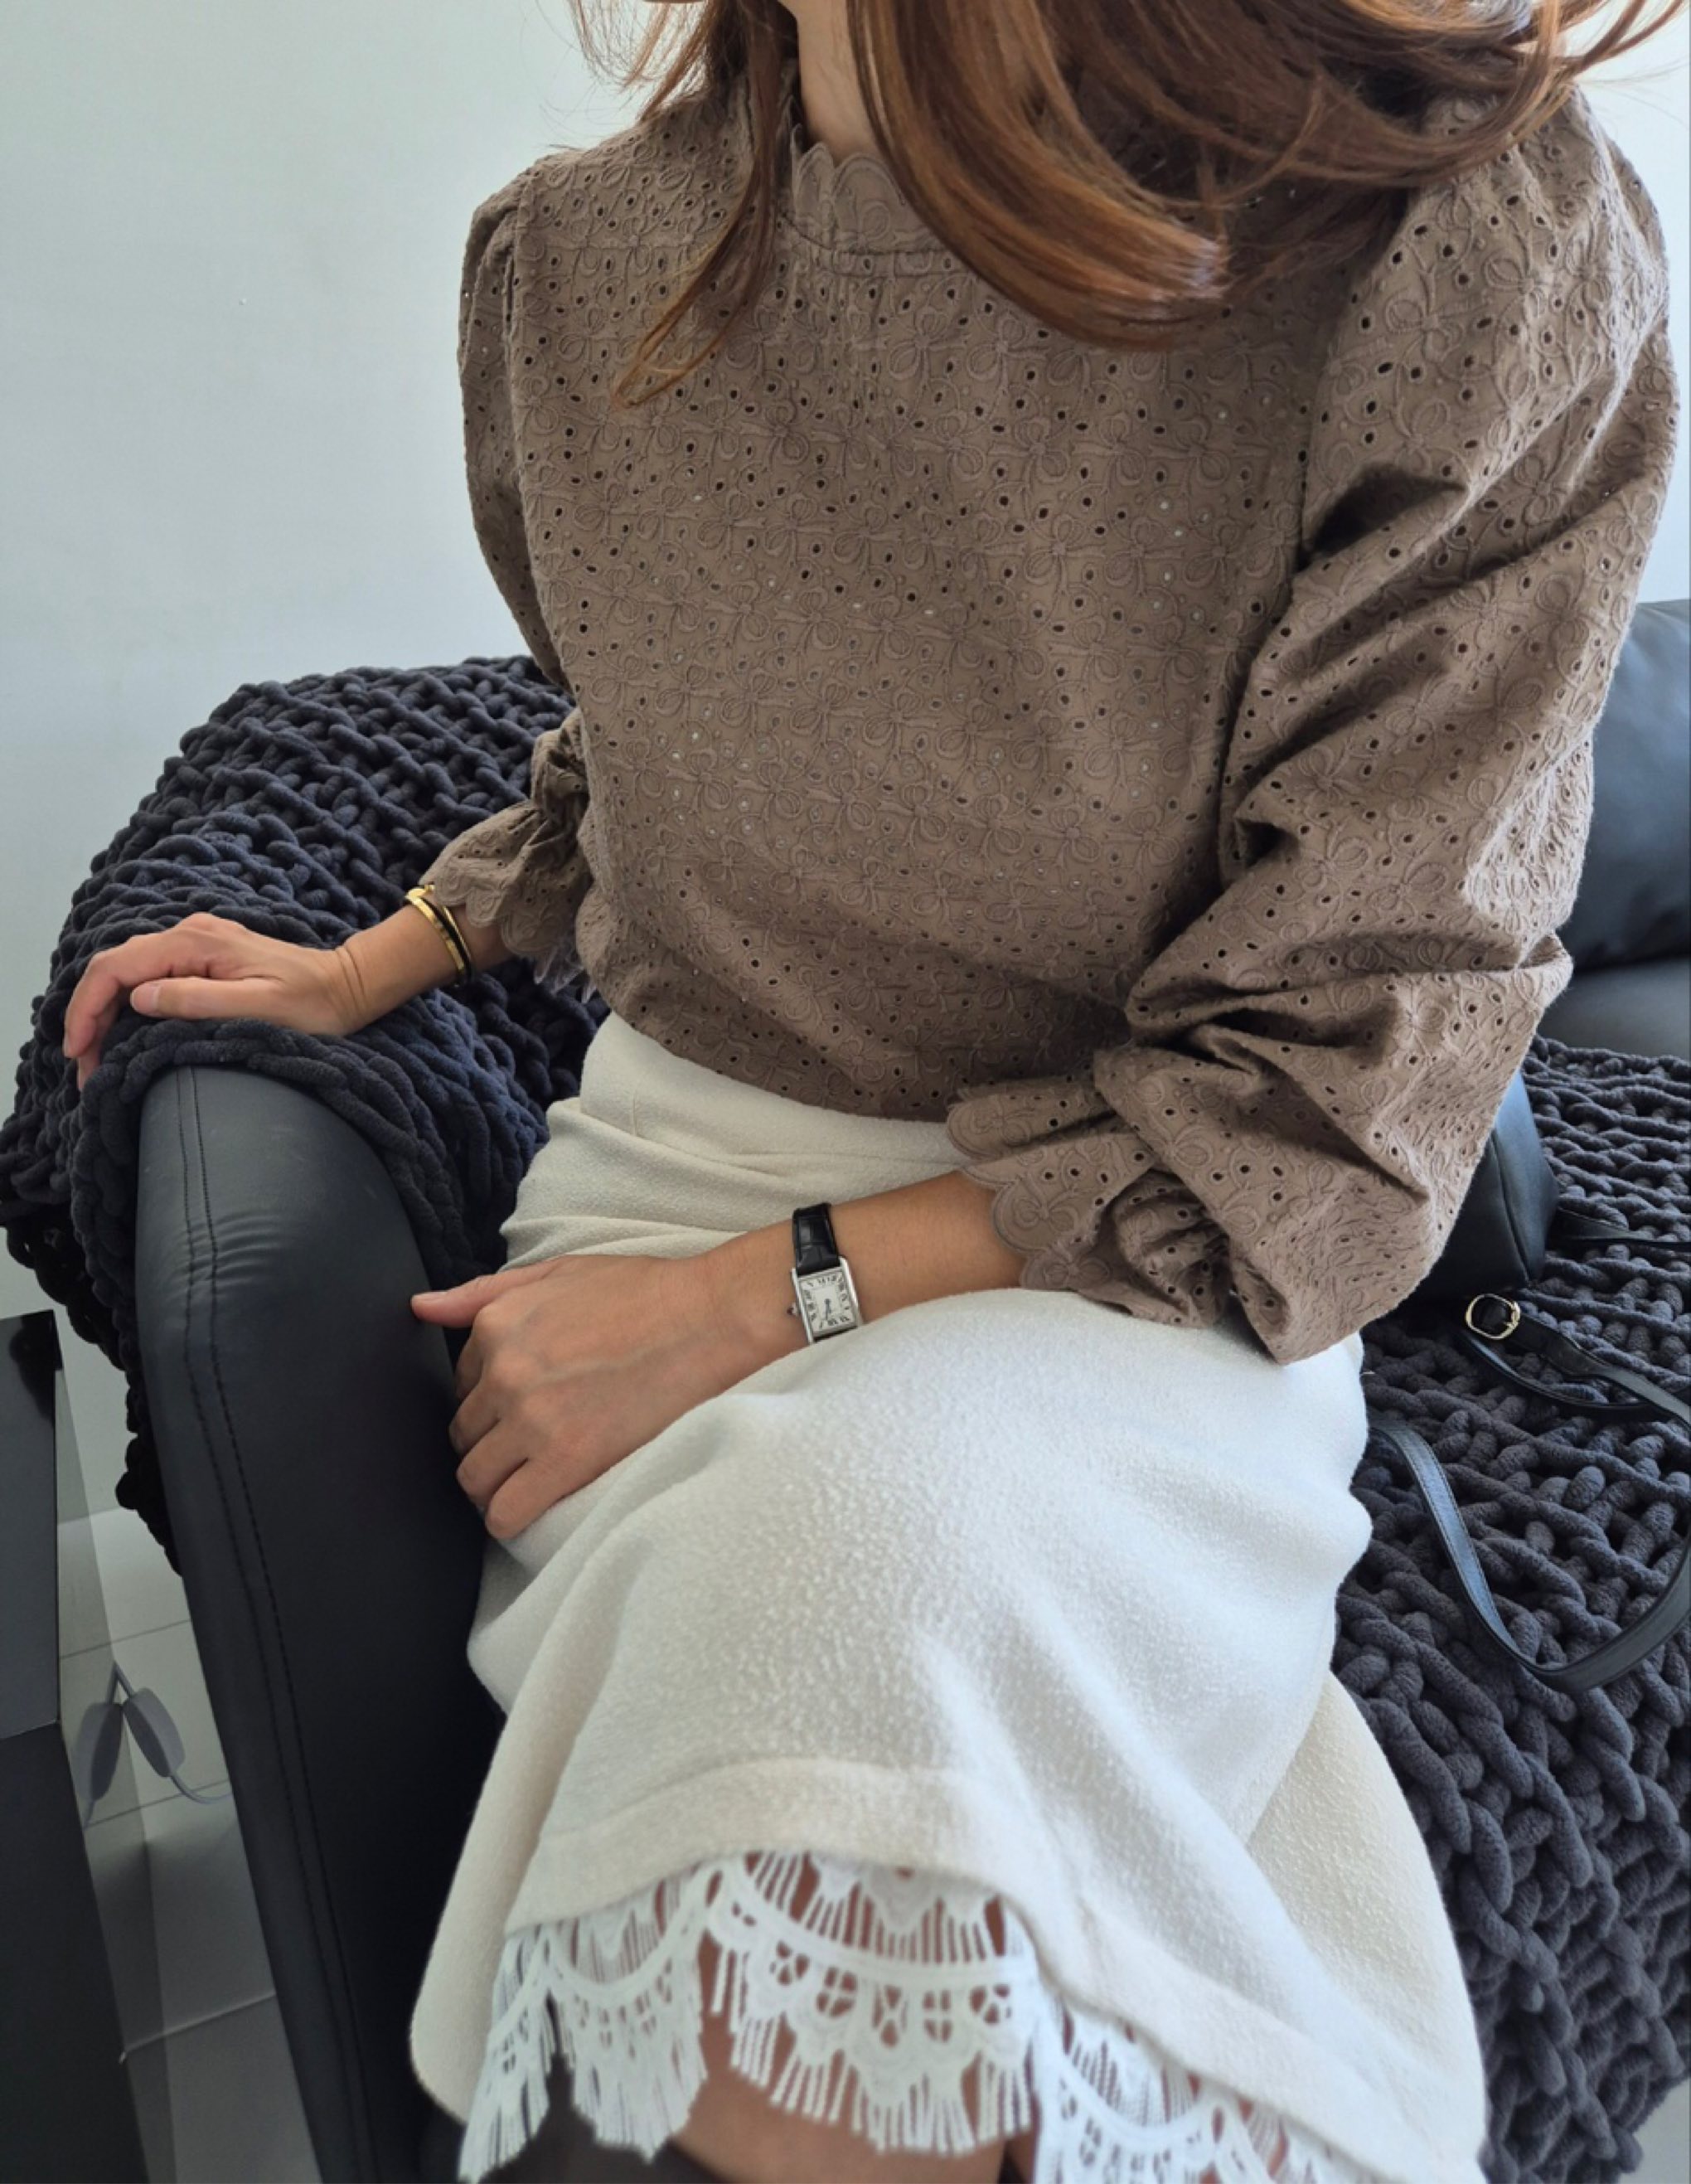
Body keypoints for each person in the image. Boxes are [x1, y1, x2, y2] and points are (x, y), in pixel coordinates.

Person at [60, 2, 1684, 2179]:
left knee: (852, 1611)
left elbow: (1334, 1099)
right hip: (671, 1182)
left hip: (1148, 1257)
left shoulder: (1457, 246)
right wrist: (379, 957)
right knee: (814, 1705)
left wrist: (754, 1302)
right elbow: (638, 750)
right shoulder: (579, 270)